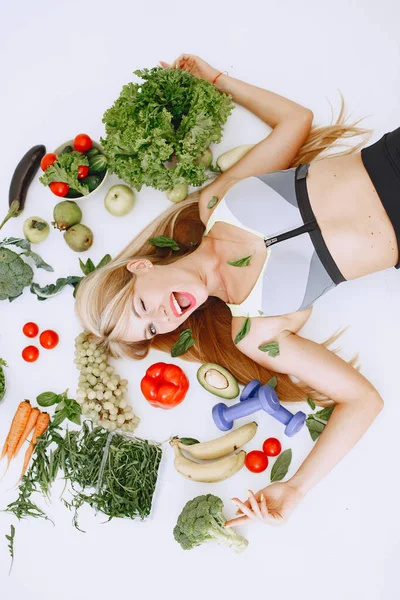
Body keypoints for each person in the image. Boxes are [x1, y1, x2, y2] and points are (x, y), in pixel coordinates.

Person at [75, 54, 400, 528]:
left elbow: (295, 121)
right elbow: (363, 400)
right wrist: (294, 487)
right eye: (150, 327)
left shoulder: (217, 202)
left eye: (144, 304)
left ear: (142, 266)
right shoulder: (256, 331)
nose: (163, 318)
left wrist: (217, 79)